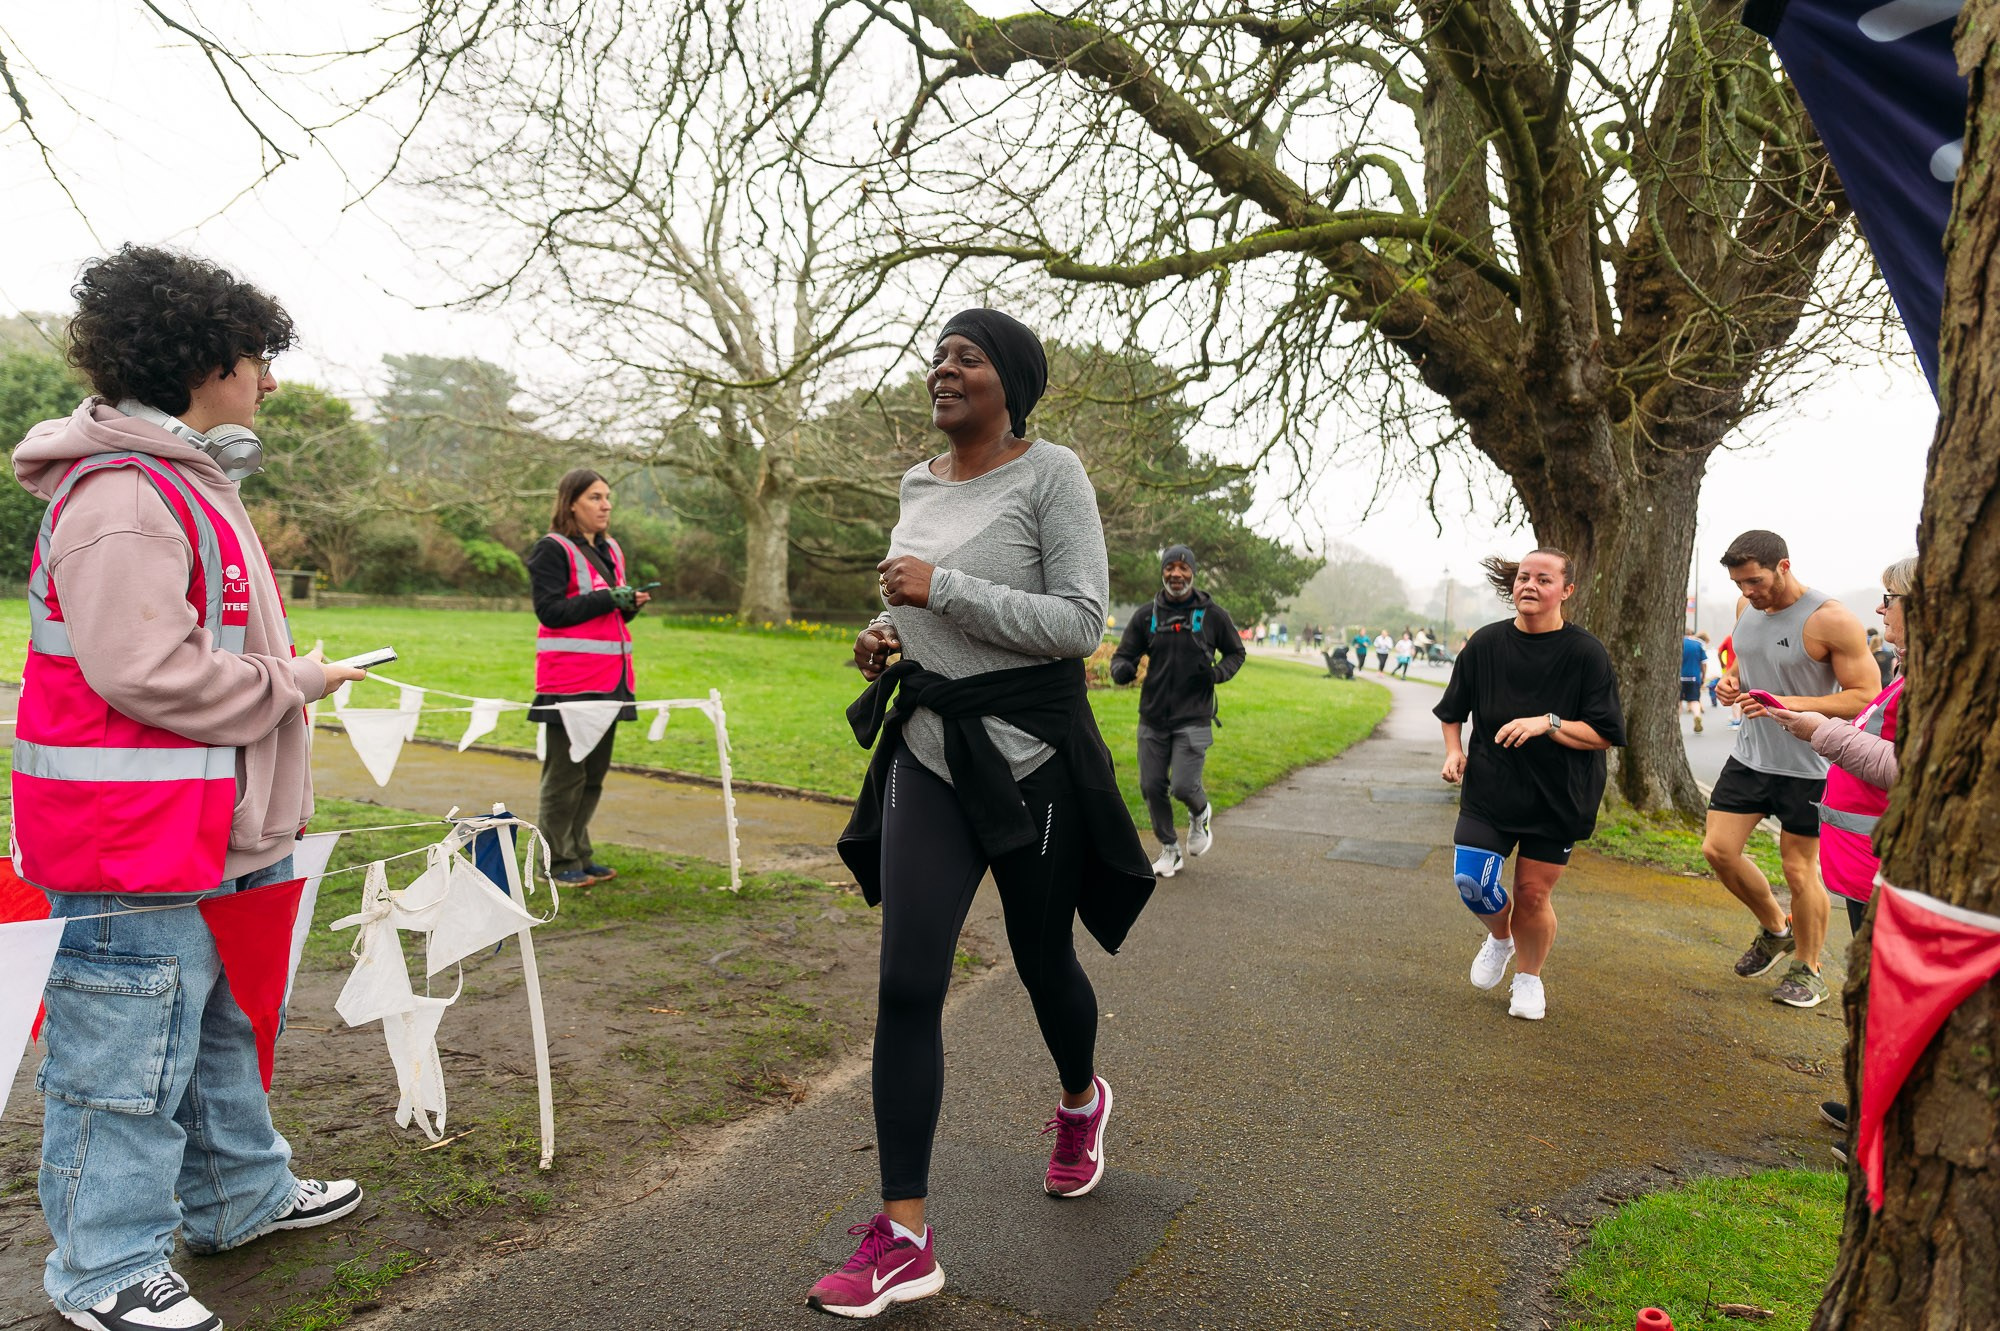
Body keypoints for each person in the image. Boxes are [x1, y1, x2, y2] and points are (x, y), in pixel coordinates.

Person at [11, 246, 368, 1331]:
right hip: (139, 838)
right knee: (123, 1051)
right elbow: (144, 670)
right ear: (203, 359)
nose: (267, 379)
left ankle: (237, 1192)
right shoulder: (126, 496)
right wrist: (294, 681)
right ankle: (105, 1262)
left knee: (213, 1025)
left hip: (206, 829)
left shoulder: (177, 481)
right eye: (258, 357)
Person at [819, 309, 1154, 1318]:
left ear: (1010, 380)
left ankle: (1077, 1099)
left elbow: (1079, 622)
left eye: (965, 356)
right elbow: (917, 602)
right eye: (937, 355)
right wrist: (886, 631)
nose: (942, 368)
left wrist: (945, 587)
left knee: (1042, 954)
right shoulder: (918, 482)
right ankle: (905, 1234)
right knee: (907, 977)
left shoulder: (1051, 473)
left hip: (1025, 758)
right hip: (927, 750)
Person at [1436, 548, 1626, 1020]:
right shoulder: (1484, 644)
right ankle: (1501, 938)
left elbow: (1604, 734)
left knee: (1532, 894)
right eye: (1524, 577)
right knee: (1470, 882)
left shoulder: (1585, 653)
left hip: (1559, 795)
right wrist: (1454, 751)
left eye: (1544, 579)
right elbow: (1452, 711)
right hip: (1492, 787)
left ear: (1567, 590)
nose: (1530, 586)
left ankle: (1529, 979)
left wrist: (1550, 722)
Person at [1761, 556, 1910, 1150]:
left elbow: (1904, 768)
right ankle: (1867, 1106)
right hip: (1863, 866)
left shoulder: (1934, 682)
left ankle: (1877, 1129)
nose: (1880, 610)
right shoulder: (1903, 671)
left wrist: (1815, 731)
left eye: (1889, 600)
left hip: (1885, 870)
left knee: (1885, 1000)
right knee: (1872, 997)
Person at [1702, 530, 1878, 1009]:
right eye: (1739, 584)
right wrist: (1731, 681)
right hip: (1751, 756)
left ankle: (1810, 968)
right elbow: (1745, 660)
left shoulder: (1831, 618)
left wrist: (1787, 703)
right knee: (1718, 850)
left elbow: (1865, 696)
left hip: (1810, 765)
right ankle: (1776, 929)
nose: (1747, 592)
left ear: (1783, 566)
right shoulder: (1747, 609)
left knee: (1800, 870)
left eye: (1754, 581)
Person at [526, 469, 651, 887]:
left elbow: (605, 611)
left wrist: (628, 604)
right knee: (565, 776)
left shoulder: (612, 549)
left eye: (607, 497)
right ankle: (556, 861)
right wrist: (606, 598)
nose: (606, 505)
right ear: (571, 503)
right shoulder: (551, 549)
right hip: (570, 683)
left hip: (612, 679)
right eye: (596, 497)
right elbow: (551, 611)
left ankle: (579, 852)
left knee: (593, 776)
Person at [1109, 543, 1247, 877]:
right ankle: (1170, 849)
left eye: (1183, 568)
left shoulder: (1212, 615)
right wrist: (1122, 669)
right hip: (1153, 716)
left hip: (1194, 716)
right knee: (1151, 785)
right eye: (1170, 568)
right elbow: (1122, 656)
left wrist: (1216, 675)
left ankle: (1200, 814)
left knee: (1184, 786)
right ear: (1163, 572)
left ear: (1192, 573)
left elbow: (1236, 652)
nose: (1176, 574)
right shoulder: (1147, 615)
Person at [1680, 629, 1708, 733]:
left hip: (1679, 677)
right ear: (1691, 634)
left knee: (1678, 702)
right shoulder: (1698, 644)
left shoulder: (1677, 642)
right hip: (1694, 676)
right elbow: (1704, 663)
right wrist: (1703, 677)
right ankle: (1697, 716)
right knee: (1694, 700)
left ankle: (1676, 724)